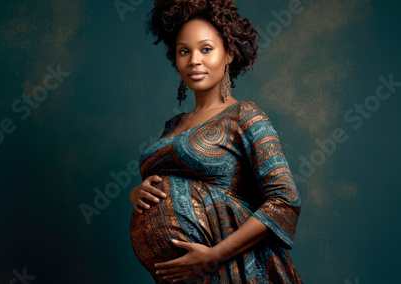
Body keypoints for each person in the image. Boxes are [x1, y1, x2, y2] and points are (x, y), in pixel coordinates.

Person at [129, 1, 302, 283]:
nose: (193, 59)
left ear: (229, 54)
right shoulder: (172, 126)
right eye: (184, 51)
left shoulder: (245, 116)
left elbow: (284, 201)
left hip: (230, 271)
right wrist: (136, 193)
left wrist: (214, 255)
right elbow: (167, 183)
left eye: (206, 49)